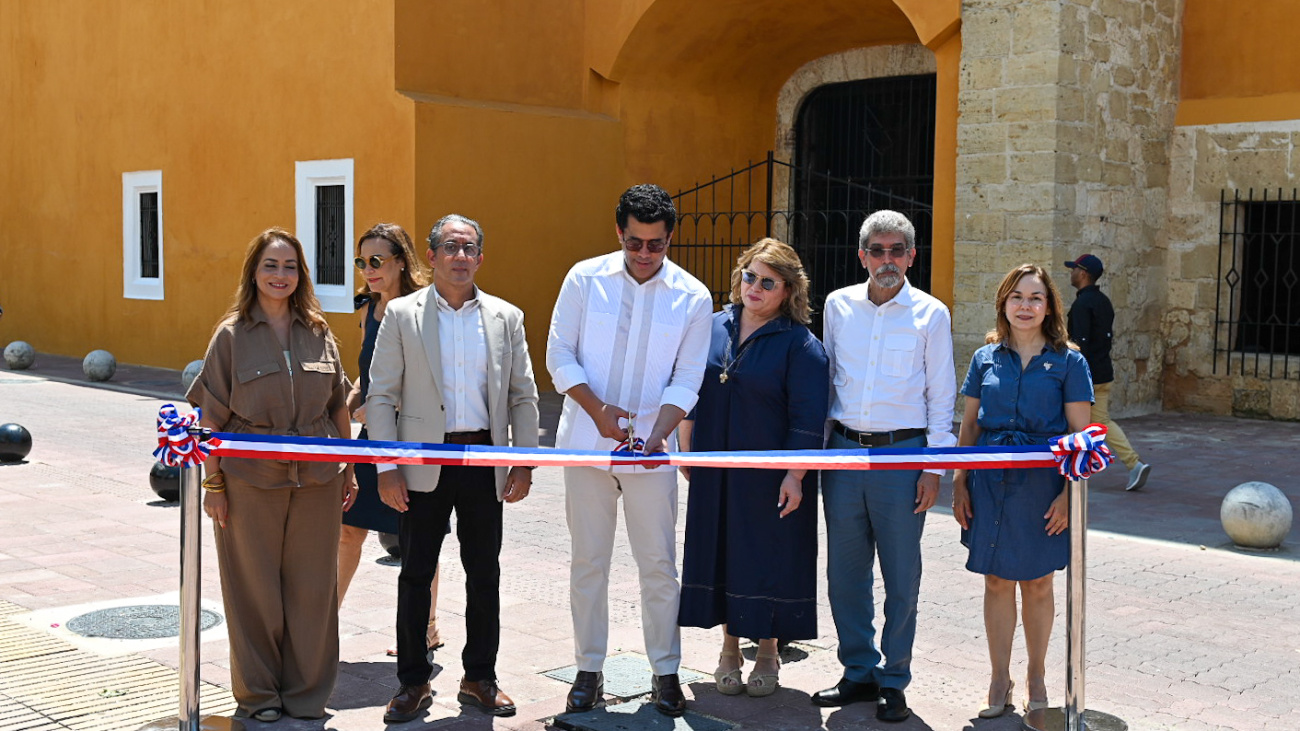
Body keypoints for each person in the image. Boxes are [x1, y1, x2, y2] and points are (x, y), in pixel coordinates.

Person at [546, 184, 712, 717]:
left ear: (670, 238)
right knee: (588, 562)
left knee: (659, 565)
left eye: (656, 244)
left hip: (652, 453)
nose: (644, 253)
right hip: (585, 446)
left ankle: (666, 672)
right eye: (635, 242)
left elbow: (688, 377)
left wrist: (660, 432)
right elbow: (558, 354)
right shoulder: (583, 278)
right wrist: (597, 411)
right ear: (619, 232)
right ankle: (587, 670)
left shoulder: (693, 295)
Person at [368, 214, 539, 723]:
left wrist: (524, 462)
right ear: (432, 256)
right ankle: (413, 682)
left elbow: (523, 395)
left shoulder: (507, 317)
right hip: (422, 460)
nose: (460, 256)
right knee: (415, 573)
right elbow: (381, 395)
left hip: (484, 459)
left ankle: (480, 677)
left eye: (468, 248)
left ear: (480, 257)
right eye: (450, 247)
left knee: (484, 572)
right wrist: (386, 466)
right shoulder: (402, 314)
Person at [187, 227, 356, 722]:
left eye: (289, 266)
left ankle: (306, 696)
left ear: (301, 274)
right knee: (254, 590)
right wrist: (213, 484)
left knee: (313, 591)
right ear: (254, 272)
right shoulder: (231, 335)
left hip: (319, 480)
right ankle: (259, 696)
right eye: (270, 265)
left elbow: (337, 405)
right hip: (249, 481)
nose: (280, 275)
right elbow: (210, 417)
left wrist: (348, 469)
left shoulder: (319, 331)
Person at [815, 210, 955, 723]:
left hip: (904, 457)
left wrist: (933, 468)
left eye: (898, 250)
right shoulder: (838, 306)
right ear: (863, 256)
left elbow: (941, 395)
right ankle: (858, 671)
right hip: (843, 453)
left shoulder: (931, 314)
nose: (887, 260)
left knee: (901, 577)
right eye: (878, 250)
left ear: (912, 256)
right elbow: (827, 378)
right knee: (845, 574)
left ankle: (894, 679)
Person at [677, 238, 828, 698]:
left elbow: (808, 417)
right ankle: (728, 650)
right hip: (717, 463)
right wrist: (686, 431)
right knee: (724, 551)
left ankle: (767, 651)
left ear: (788, 290)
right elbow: (689, 379)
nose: (755, 288)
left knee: (767, 559)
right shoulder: (712, 326)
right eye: (749, 276)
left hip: (771, 473)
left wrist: (795, 475)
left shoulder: (801, 344)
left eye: (768, 282)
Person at [951, 263, 1094, 717]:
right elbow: (969, 425)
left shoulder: (1069, 362)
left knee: (1037, 581)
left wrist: (1069, 495)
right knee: (996, 580)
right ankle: (999, 679)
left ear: (1049, 306)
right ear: (1004, 304)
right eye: (1017, 297)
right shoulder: (984, 358)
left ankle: (1036, 675)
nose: (1025, 306)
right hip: (989, 481)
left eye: (1035, 298)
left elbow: (1081, 437)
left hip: (1042, 485)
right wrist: (959, 481)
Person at [336, 223, 444, 658]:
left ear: (401, 261)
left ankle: (426, 628)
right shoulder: (368, 310)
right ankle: (322, 627)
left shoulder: (424, 309)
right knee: (348, 529)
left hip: (413, 435)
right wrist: (351, 400)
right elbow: (368, 369)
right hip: (372, 438)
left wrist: (383, 404)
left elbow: (430, 376)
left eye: (377, 260)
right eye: (361, 262)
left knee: (419, 538)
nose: (368, 269)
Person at [1065, 254, 1151, 491]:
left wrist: (1071, 375)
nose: (1071, 273)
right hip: (1103, 373)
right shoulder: (1103, 301)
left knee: (1072, 419)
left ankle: (1131, 463)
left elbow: (1079, 345)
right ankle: (1130, 463)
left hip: (1086, 377)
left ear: (1083, 274)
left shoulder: (1082, 305)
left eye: (1074, 269)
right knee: (1097, 422)